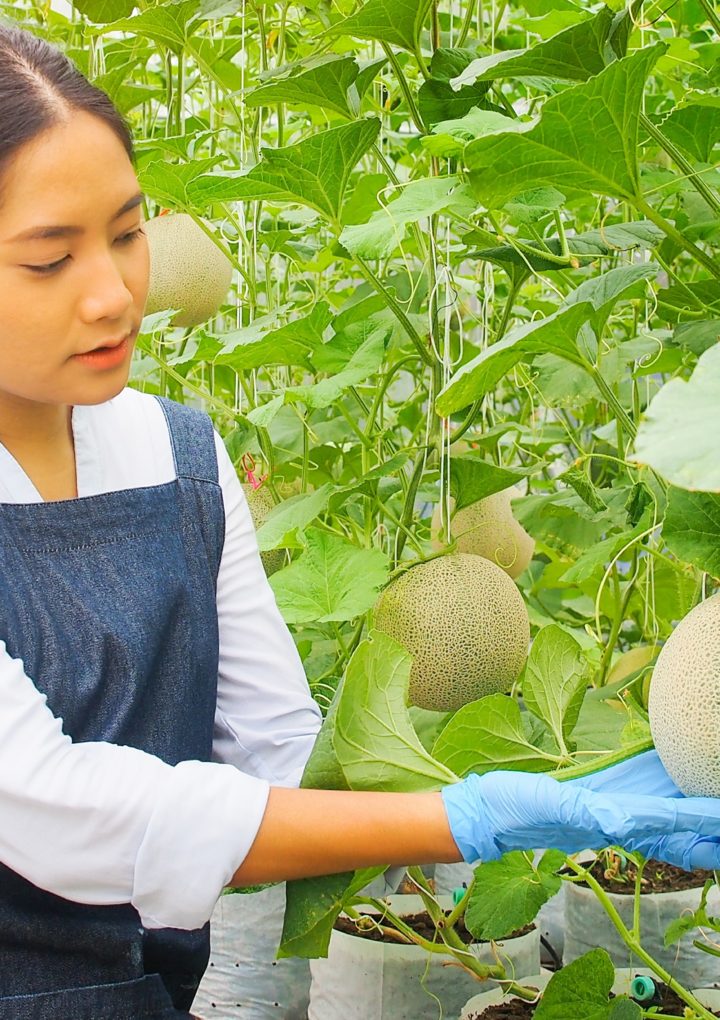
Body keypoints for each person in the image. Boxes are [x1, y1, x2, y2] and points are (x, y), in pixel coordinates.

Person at [1, 23, 719, 1020]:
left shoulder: (180, 452)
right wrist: (460, 817)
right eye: (48, 260)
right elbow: (59, 810)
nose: (114, 292)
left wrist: (547, 773)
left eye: (127, 233)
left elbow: (279, 748)